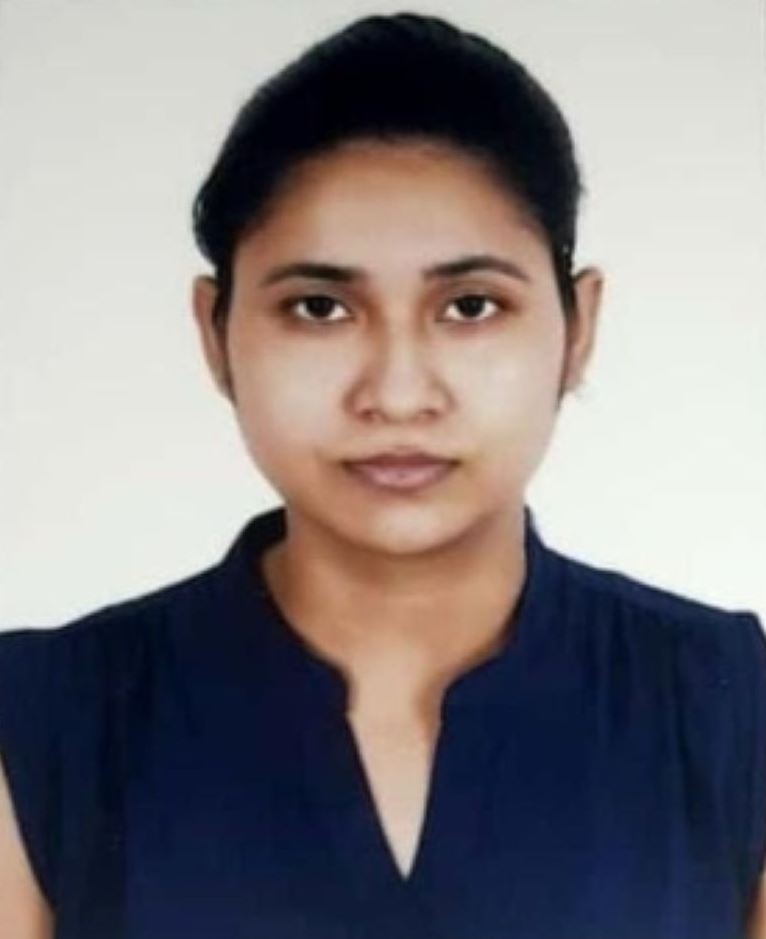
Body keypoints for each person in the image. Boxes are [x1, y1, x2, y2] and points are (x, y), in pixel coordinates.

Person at [1, 11, 764, 939]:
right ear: (215, 332)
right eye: (319, 308)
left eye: (471, 306)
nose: (398, 393)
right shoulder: (41, 724)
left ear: (579, 328)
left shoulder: (733, 709)